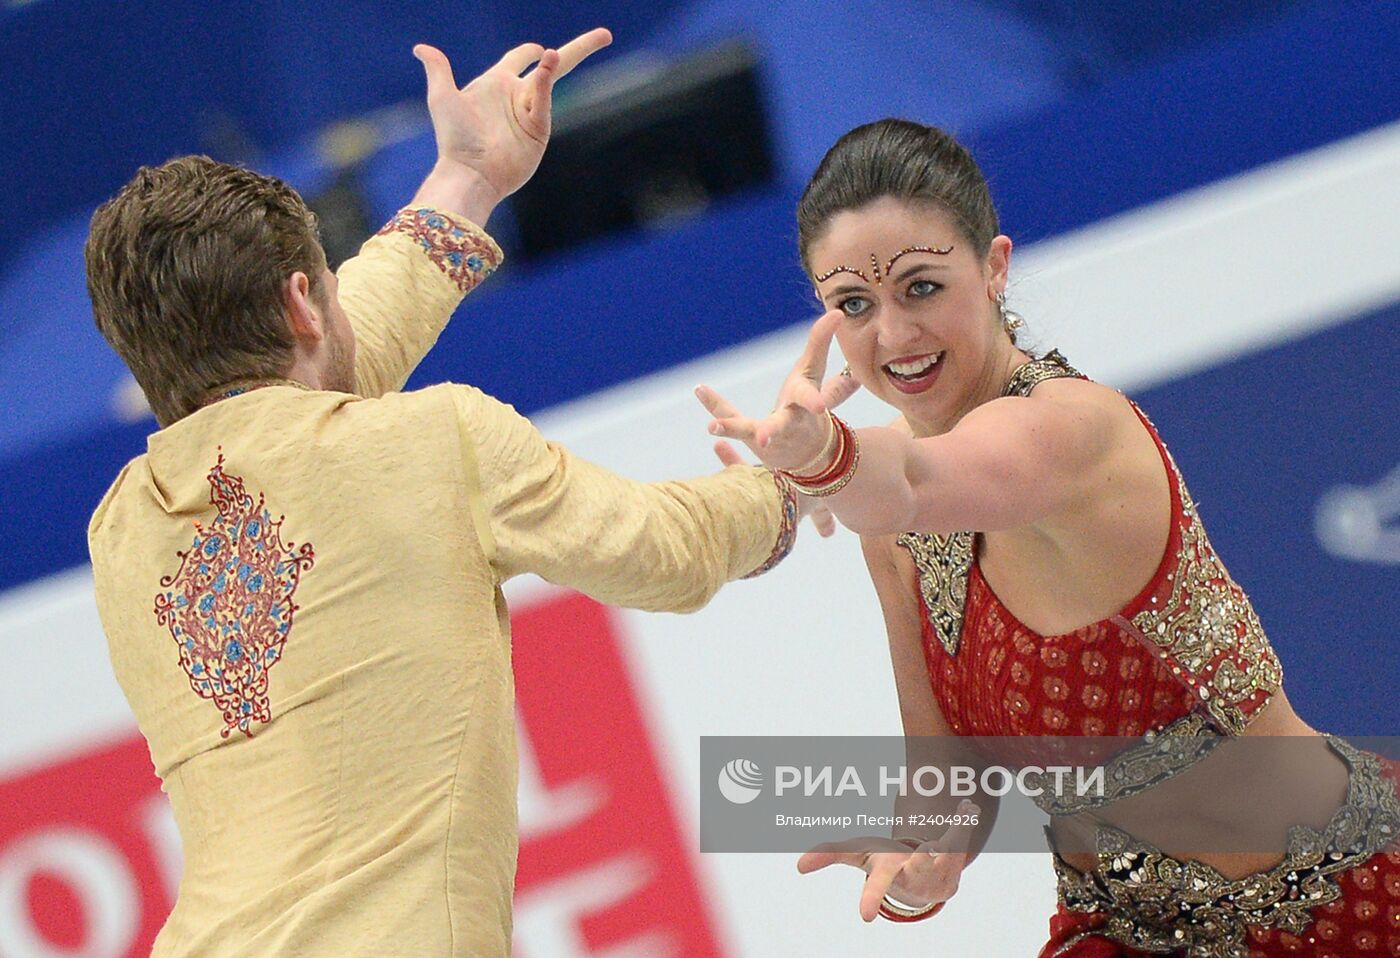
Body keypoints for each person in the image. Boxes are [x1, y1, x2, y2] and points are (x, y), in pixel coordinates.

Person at [85, 31, 823, 957]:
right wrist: (791, 486)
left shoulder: (121, 529)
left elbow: (306, 386)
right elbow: (662, 553)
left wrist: (466, 180)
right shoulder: (431, 442)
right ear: (306, 304)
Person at [696, 118, 1400, 956]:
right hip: (1127, 932)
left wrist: (824, 457)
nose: (892, 335)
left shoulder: (1071, 430)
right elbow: (945, 774)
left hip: (1342, 907)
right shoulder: (890, 539)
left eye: (921, 286)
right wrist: (921, 867)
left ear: (994, 267)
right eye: (853, 304)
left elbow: (924, 479)